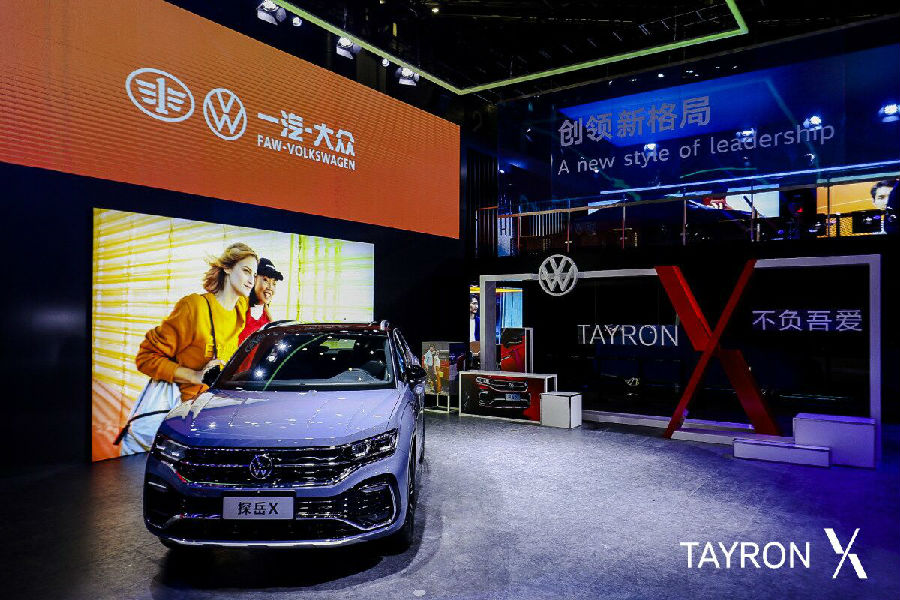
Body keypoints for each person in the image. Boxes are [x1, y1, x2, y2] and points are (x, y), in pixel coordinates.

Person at [136, 242, 258, 402]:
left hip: (218, 405)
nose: (251, 281)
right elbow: (146, 358)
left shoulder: (241, 308)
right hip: (186, 407)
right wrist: (195, 376)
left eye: (254, 275)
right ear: (227, 268)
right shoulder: (194, 307)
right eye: (246, 271)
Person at [239, 257, 283, 344]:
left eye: (274, 283)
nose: (270, 287)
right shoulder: (238, 310)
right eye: (265, 280)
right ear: (254, 279)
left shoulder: (268, 321)